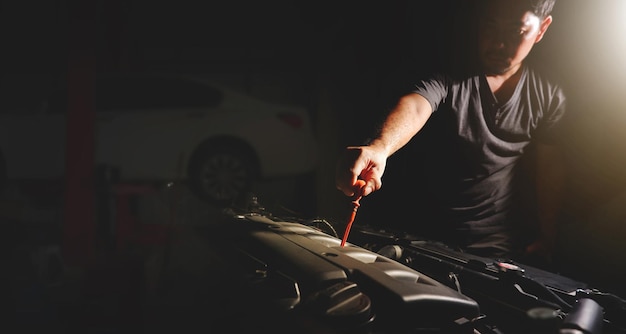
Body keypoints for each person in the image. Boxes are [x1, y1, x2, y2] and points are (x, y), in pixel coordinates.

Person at [335, 0, 566, 263]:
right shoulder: (450, 70)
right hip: (421, 237)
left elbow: (549, 168)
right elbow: (416, 105)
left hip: (494, 247)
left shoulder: (548, 95)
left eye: (516, 31)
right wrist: (380, 147)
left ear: (542, 29)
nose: (499, 43)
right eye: (490, 26)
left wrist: (548, 235)